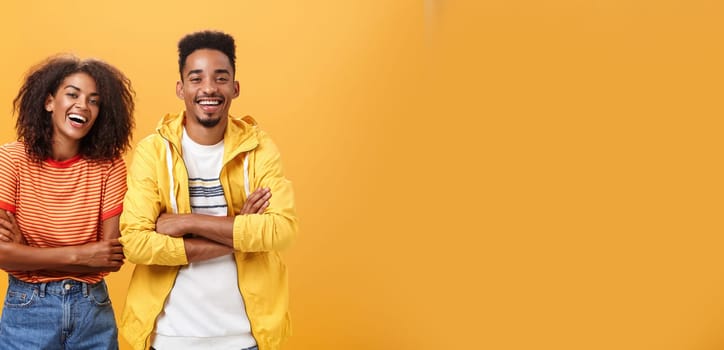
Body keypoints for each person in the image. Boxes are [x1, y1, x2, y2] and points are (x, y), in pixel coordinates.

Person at [119, 30, 298, 350]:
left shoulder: (260, 148)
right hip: (171, 336)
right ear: (181, 88)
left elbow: (281, 230)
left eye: (221, 77)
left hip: (245, 337)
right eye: (196, 78)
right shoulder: (153, 152)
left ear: (235, 87)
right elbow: (135, 243)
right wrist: (240, 229)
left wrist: (187, 222)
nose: (209, 88)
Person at [0, 54, 135, 349]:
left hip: (92, 311)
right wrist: (80, 256)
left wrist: (25, 252)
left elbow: (109, 257)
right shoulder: (11, 159)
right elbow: (1, 254)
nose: (83, 106)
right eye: (72, 94)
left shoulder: (110, 166)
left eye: (94, 100)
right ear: (49, 102)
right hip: (27, 310)